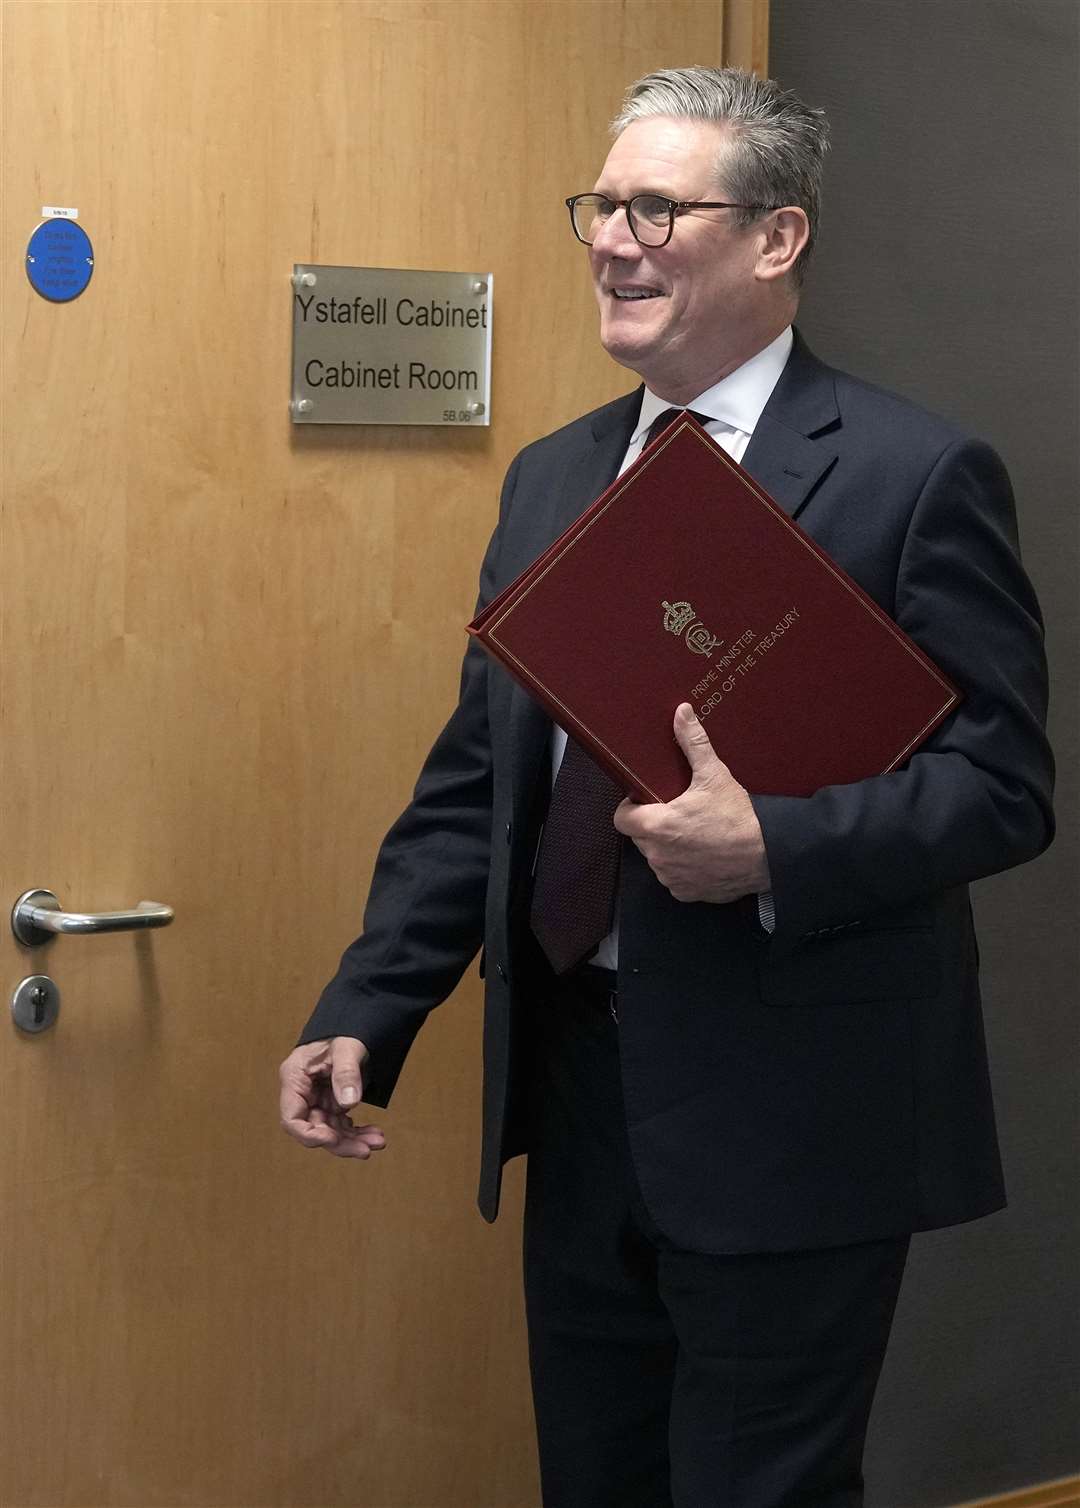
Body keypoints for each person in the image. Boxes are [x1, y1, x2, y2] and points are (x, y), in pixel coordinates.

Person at [279, 66, 1054, 1508]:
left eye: (655, 207)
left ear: (777, 239)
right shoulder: (554, 480)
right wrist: (369, 1003)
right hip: (581, 1096)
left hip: (799, 1117)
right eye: (599, 206)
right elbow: (480, 788)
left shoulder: (913, 473)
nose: (610, 240)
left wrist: (777, 847)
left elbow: (1004, 784)